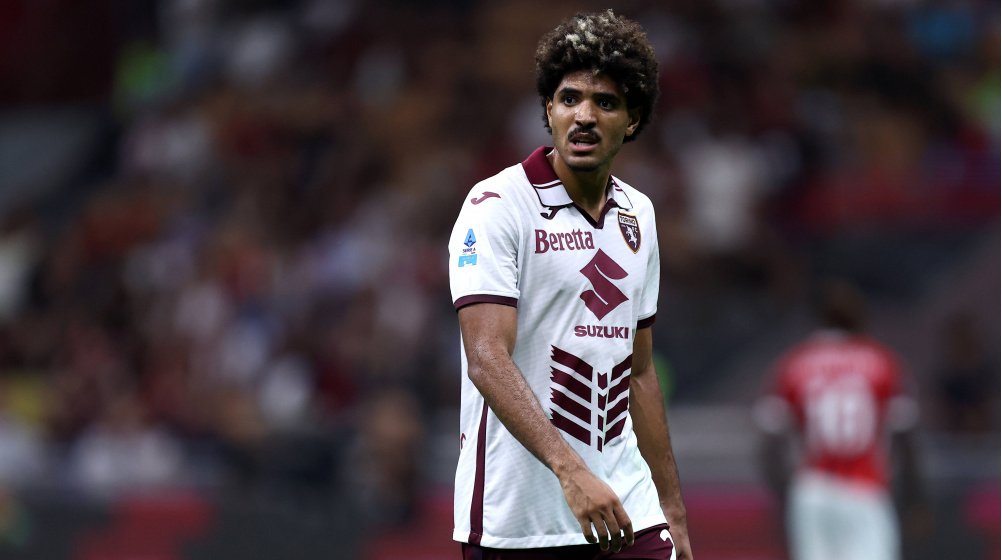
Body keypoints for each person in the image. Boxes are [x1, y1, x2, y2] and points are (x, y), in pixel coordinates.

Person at [448, 10, 692, 560]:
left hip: (628, 508)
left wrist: (671, 508)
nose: (584, 115)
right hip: (519, 521)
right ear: (548, 111)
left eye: (605, 102)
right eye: (569, 99)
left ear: (632, 120)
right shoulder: (496, 206)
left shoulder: (639, 214)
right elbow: (485, 357)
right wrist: (571, 471)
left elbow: (640, 371)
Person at [754, 279, 927, 560]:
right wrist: (915, 499)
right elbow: (905, 437)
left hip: (812, 488)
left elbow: (769, 445)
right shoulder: (882, 362)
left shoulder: (794, 364)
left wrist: (787, 496)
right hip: (865, 487)